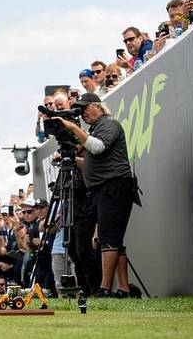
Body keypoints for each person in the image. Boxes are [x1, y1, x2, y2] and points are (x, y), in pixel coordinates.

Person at [56, 92, 135, 297]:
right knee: (114, 240)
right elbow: (92, 161)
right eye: (80, 110)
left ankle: (104, 289)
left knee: (108, 238)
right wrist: (72, 159)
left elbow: (98, 148)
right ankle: (124, 289)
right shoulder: (96, 129)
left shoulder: (109, 124)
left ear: (98, 107)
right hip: (105, 188)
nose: (83, 113)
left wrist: (73, 128)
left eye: (85, 108)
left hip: (113, 186)